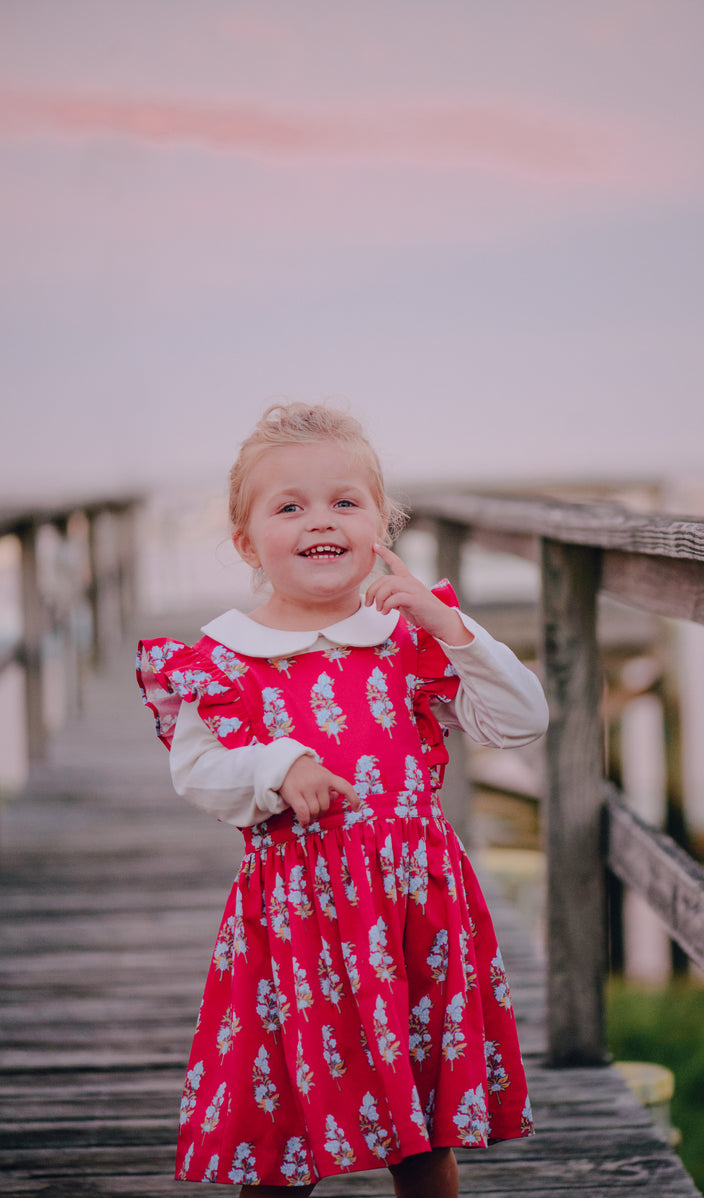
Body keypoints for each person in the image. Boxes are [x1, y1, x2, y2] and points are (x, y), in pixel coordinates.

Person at [136, 402, 548, 1197]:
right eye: (289, 506)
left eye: (344, 502)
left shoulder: (408, 641)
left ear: (380, 526)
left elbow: (522, 721)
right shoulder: (223, 660)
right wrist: (278, 766)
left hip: (412, 921)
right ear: (246, 541)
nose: (319, 521)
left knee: (424, 1139)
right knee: (281, 1133)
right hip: (296, 926)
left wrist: (452, 624)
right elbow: (196, 771)